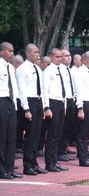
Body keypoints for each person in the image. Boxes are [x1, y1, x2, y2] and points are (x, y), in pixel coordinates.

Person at [16, 44, 48, 175]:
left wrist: (45, 106)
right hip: (29, 101)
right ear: (28, 53)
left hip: (38, 101)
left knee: (37, 134)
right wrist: (27, 109)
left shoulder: (38, 69)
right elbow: (22, 90)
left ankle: (34, 163)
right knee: (30, 135)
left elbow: (42, 90)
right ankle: (27, 164)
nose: (37, 54)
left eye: (38, 52)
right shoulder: (23, 69)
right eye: (35, 52)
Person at [41, 48, 69, 173]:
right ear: (51, 57)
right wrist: (46, 107)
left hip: (60, 102)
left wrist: (65, 105)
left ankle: (54, 160)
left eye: (60, 57)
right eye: (57, 57)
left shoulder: (61, 70)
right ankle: (49, 163)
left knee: (58, 134)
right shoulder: (48, 71)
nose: (59, 59)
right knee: (52, 135)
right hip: (52, 102)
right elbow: (45, 90)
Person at [0, 42, 20, 179]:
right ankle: (2, 170)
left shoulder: (10, 67)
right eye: (9, 51)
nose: (12, 54)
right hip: (1, 100)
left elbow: (14, 87)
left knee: (11, 137)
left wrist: (15, 105)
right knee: (2, 137)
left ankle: (10, 167)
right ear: (2, 52)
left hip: (11, 102)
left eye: (13, 51)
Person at [57, 49, 77, 162]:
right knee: (61, 127)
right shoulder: (59, 70)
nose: (68, 58)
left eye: (69, 56)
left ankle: (64, 148)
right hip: (62, 100)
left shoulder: (70, 70)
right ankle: (59, 151)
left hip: (70, 99)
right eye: (66, 56)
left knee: (68, 127)